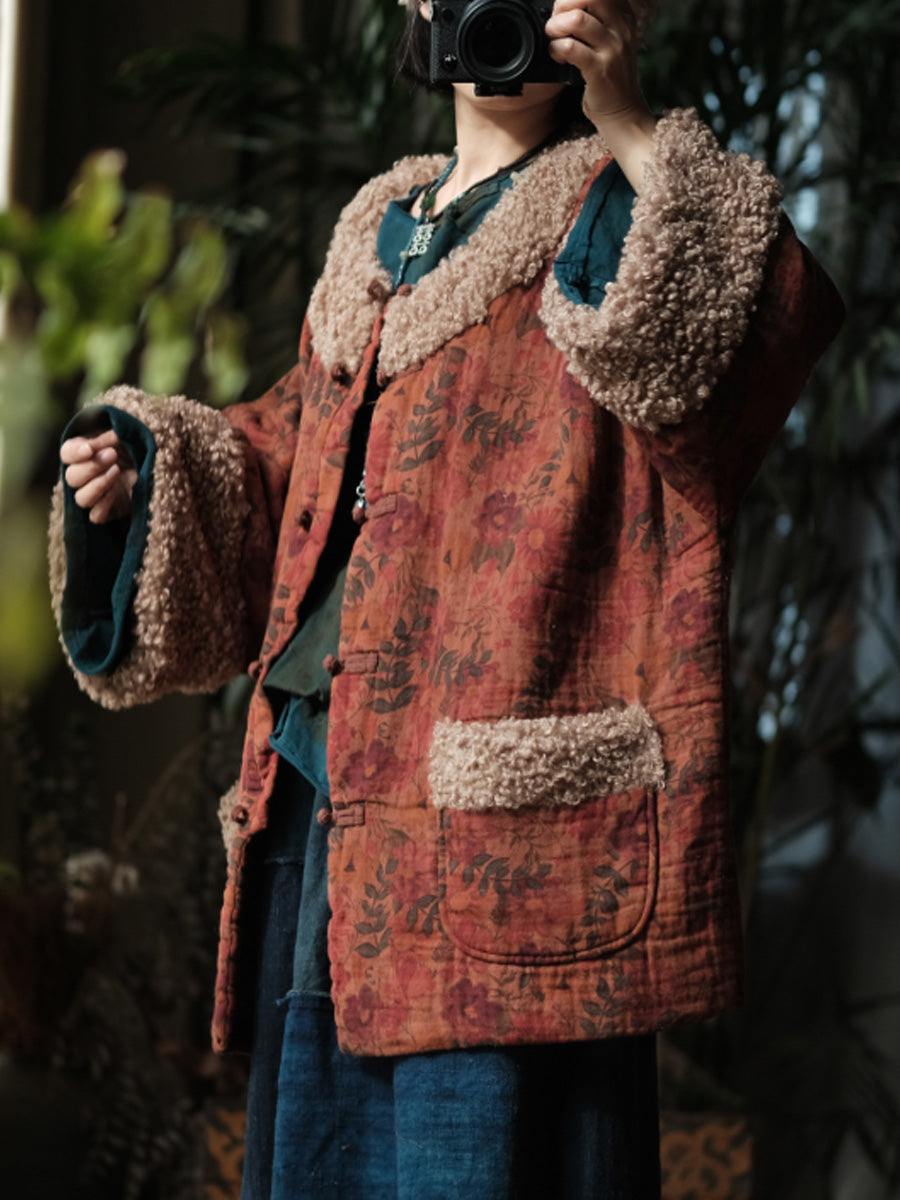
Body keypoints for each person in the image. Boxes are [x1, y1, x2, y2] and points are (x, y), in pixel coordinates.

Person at [51, 1, 844, 1196]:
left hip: (507, 833)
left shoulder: (616, 205)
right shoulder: (380, 232)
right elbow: (289, 461)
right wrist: (149, 472)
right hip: (320, 796)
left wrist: (634, 126)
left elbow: (754, 351)